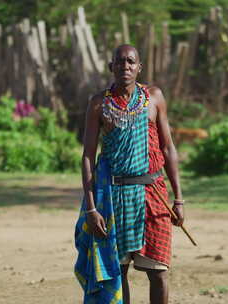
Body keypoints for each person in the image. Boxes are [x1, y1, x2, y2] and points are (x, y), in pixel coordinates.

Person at [74, 44, 184, 304]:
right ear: (111, 67)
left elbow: (168, 149)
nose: (125, 66)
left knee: (158, 270)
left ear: (139, 67)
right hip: (114, 198)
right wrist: (91, 209)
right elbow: (88, 156)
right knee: (118, 271)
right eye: (120, 62)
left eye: (131, 62)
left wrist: (178, 199)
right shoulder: (99, 103)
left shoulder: (154, 97)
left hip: (153, 194)